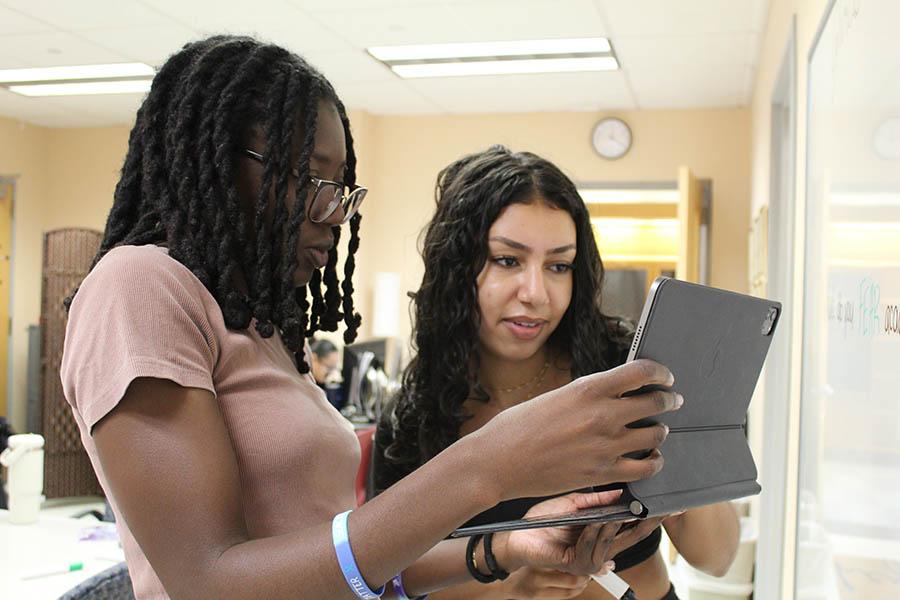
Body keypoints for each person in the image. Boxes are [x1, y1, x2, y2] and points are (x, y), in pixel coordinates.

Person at [60, 37, 682, 600]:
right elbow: (209, 582)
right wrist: (488, 465)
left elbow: (344, 563)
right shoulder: (138, 287)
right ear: (218, 160)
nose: (333, 213)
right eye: (310, 180)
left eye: (342, 189)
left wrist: (502, 548)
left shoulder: (258, 327)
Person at [373, 146, 740, 600]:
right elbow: (387, 580)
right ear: (456, 267)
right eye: (508, 260)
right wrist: (510, 585)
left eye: (558, 266)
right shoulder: (416, 414)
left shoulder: (629, 375)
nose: (536, 293)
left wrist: (681, 476)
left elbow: (719, 558)